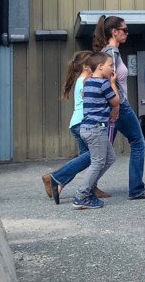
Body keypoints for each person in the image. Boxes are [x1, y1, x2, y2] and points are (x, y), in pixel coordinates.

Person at [93, 16, 145, 199]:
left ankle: (59, 179)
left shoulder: (109, 52)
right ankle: (137, 189)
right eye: (125, 30)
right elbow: (109, 81)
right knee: (138, 143)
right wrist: (116, 107)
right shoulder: (111, 54)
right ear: (115, 32)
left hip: (115, 106)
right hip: (120, 106)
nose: (127, 33)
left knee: (103, 149)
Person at [41, 51, 111, 204]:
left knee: (89, 159)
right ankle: (56, 177)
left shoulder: (81, 80)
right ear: (87, 67)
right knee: (95, 157)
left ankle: (82, 186)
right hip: (84, 123)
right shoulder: (87, 81)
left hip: (78, 123)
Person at [72, 52, 120, 210]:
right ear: (100, 67)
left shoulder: (88, 82)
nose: (112, 68)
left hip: (88, 128)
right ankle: (82, 194)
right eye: (110, 65)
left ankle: (88, 188)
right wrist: (113, 82)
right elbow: (115, 101)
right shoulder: (103, 83)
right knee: (98, 162)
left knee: (110, 157)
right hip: (96, 129)